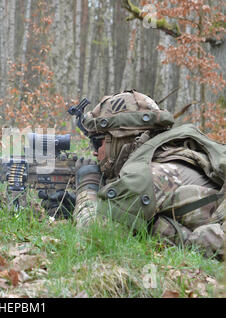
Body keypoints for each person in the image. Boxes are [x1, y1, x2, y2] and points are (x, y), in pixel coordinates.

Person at [40, 90, 225, 259]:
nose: (95, 153)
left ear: (123, 140)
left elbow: (95, 235)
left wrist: (88, 185)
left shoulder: (155, 174)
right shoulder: (167, 156)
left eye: (98, 143)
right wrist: (76, 205)